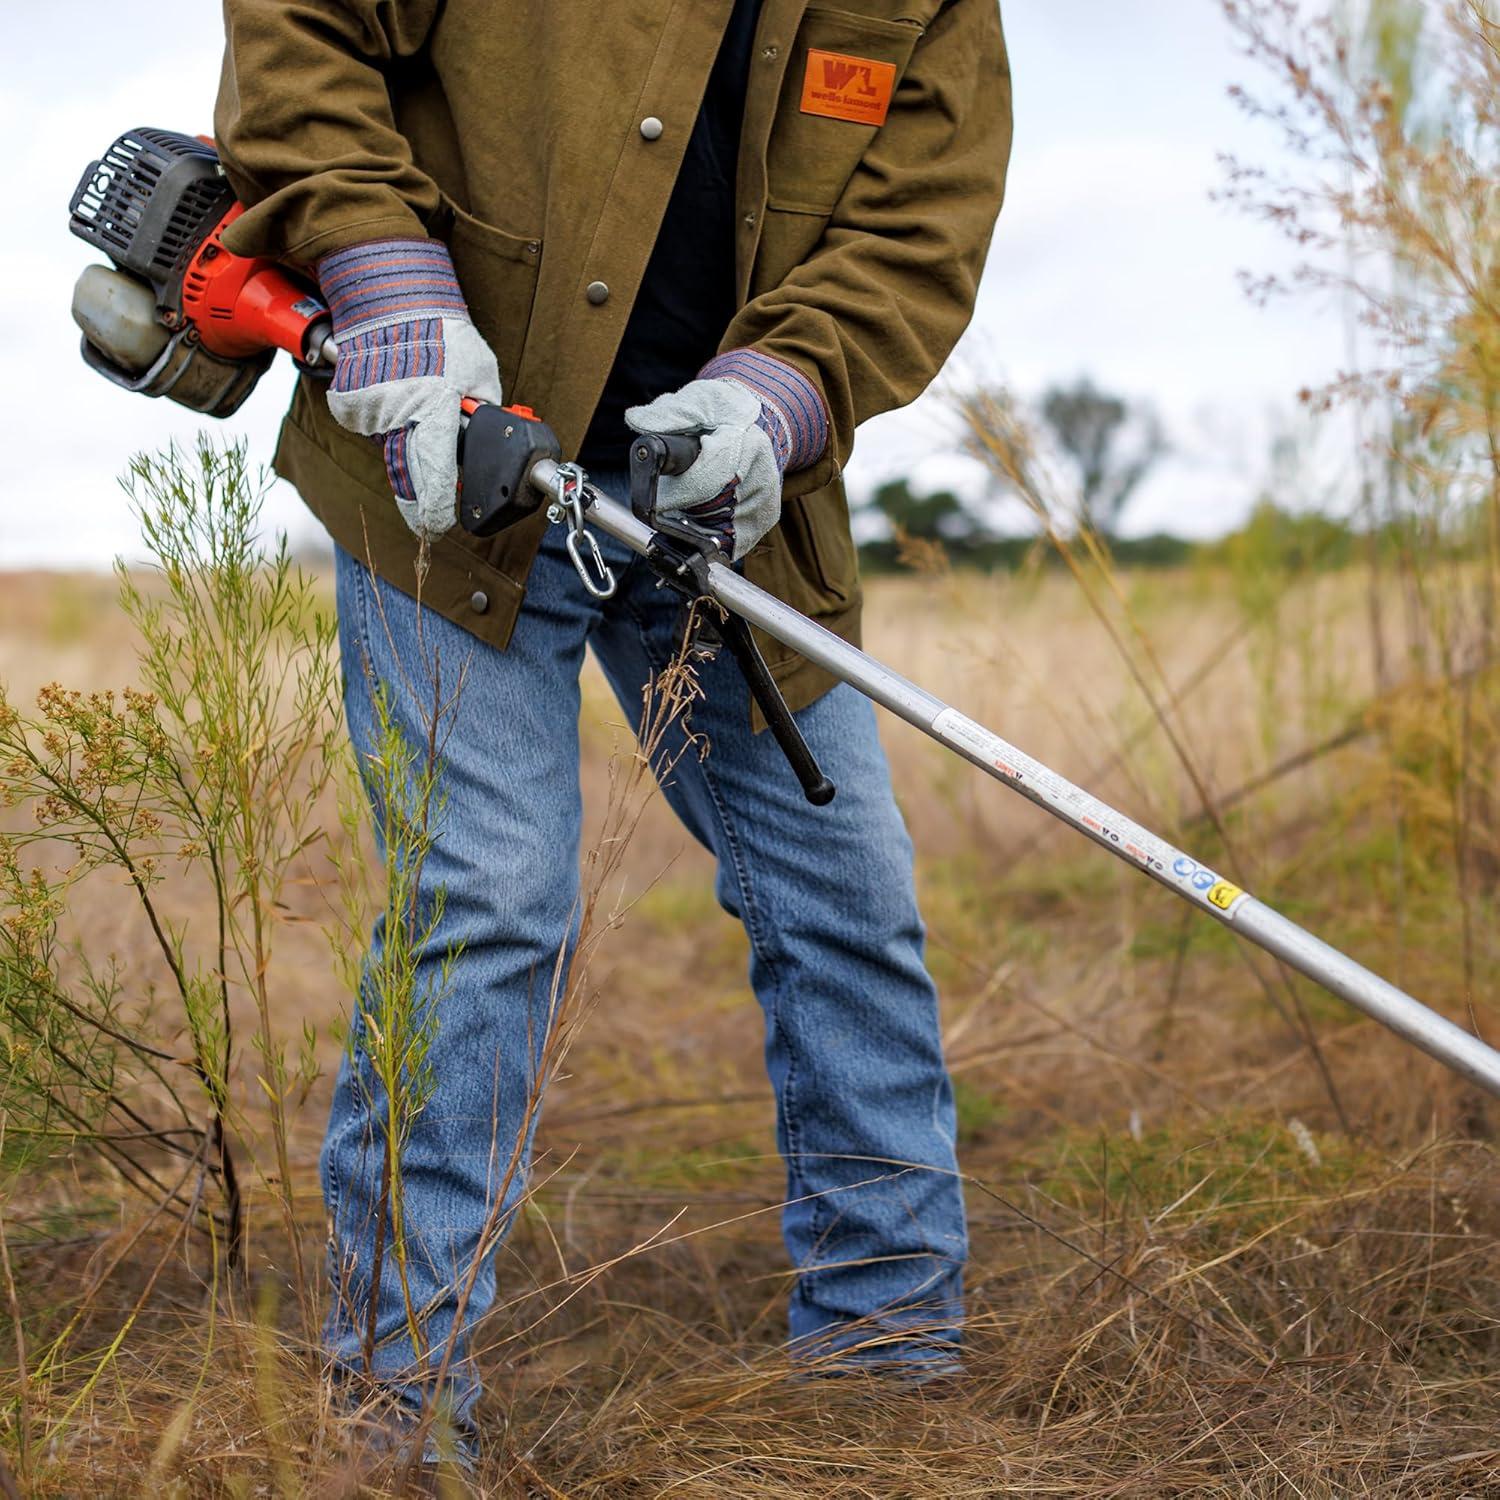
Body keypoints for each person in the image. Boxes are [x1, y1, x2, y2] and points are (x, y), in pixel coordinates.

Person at [215, 0, 1012, 1481]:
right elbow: (302, 31)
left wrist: (780, 398)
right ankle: (395, 1413)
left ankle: (887, 1372)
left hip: (724, 499)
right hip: (456, 465)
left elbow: (918, 229)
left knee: (849, 903)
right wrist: (385, 281)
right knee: (489, 902)